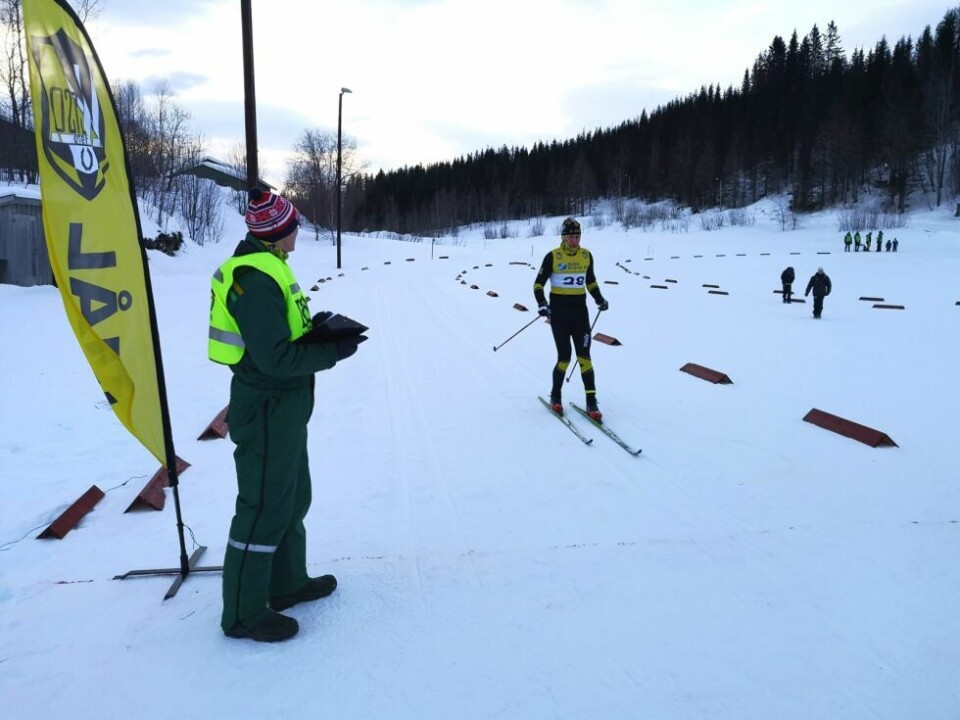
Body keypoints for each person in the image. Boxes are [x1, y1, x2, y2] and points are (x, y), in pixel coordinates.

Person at [209, 188, 365, 642]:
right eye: (294, 224)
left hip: (286, 407)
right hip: (267, 406)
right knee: (261, 508)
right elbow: (275, 359)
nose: (299, 229)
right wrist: (332, 352)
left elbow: (281, 337)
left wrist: (316, 332)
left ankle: (286, 583)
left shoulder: (271, 267)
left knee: (292, 498)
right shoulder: (253, 279)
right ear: (278, 232)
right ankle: (243, 611)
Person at [533, 217, 608, 420]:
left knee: (584, 357)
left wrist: (599, 298)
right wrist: (542, 304)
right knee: (565, 357)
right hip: (559, 315)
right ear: (563, 237)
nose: (574, 241)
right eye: (571, 237)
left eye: (577, 236)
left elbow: (590, 281)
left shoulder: (586, 256)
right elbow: (538, 284)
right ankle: (555, 396)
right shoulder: (553, 257)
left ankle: (591, 402)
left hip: (580, 315)